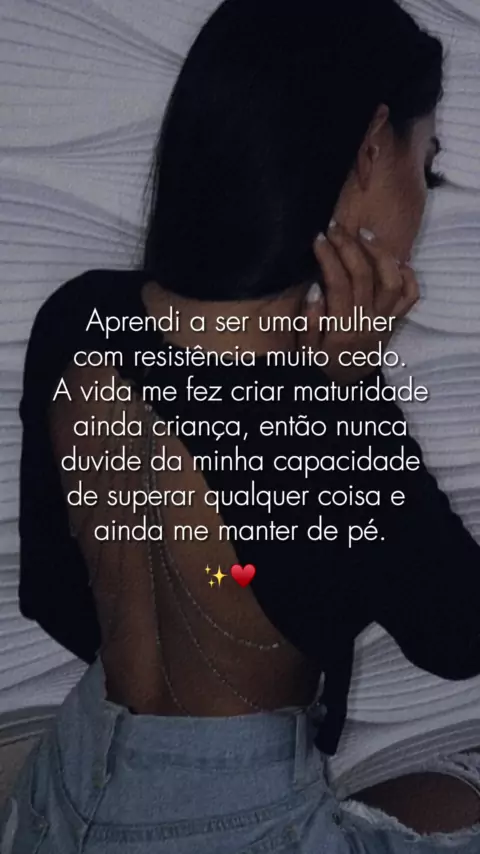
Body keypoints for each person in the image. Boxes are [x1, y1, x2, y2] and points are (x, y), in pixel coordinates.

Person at [4, 0, 480, 850]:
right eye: (428, 165)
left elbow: (51, 596)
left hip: (63, 793)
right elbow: (459, 633)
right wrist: (346, 397)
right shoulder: (321, 409)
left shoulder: (77, 318)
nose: (423, 200)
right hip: (237, 825)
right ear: (372, 147)